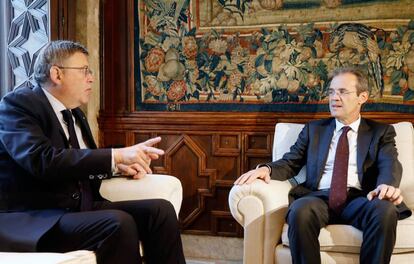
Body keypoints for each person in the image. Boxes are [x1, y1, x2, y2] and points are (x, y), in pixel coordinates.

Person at [0, 40, 186, 264]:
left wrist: (118, 168)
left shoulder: (75, 114)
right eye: (84, 70)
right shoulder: (17, 105)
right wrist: (115, 157)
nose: (91, 77)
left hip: (78, 210)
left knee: (160, 211)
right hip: (39, 217)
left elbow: (81, 164)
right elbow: (42, 160)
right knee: (118, 223)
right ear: (56, 74)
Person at [234, 67, 412, 264]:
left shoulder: (380, 132)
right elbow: (290, 162)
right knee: (300, 210)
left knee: (384, 209)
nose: (334, 98)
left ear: (362, 97)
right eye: (331, 92)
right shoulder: (314, 130)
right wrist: (266, 169)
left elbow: (389, 162)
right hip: (319, 198)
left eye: (343, 92)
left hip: (361, 199)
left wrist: (386, 185)